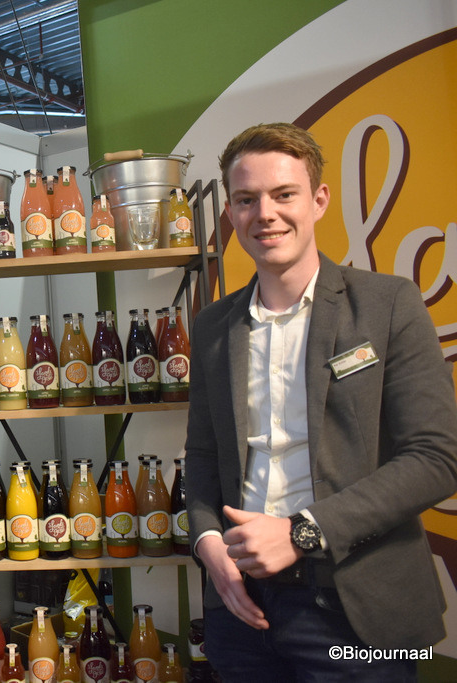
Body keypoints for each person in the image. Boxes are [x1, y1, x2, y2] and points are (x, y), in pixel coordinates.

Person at [185, 122, 457, 681]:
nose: (265, 214)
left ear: (319, 199)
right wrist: (207, 542)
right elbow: (204, 458)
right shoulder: (213, 326)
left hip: (354, 605)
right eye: (246, 199)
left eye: (284, 194)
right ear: (230, 212)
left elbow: (437, 457)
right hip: (241, 608)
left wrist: (301, 532)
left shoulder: (387, 304)